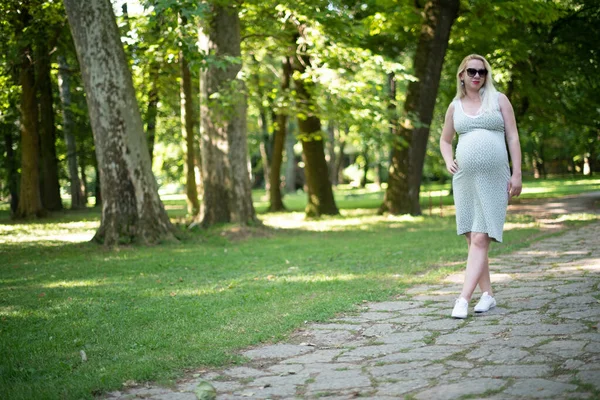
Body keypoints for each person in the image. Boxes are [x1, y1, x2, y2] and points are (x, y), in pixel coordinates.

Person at [439, 54, 522, 319]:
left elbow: (513, 136)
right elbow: (445, 140)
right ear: (461, 75)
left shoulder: (499, 100)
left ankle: (463, 299)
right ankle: (487, 294)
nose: (477, 76)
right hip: (465, 180)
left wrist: (517, 173)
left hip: (495, 178)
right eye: (472, 71)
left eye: (482, 72)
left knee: (480, 238)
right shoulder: (455, 107)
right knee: (472, 238)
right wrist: (448, 159)